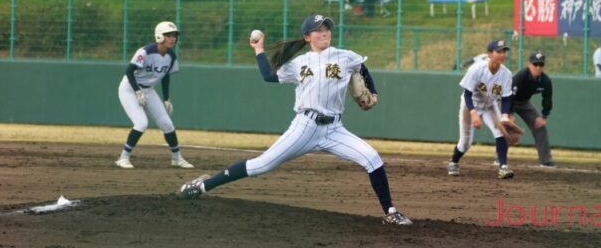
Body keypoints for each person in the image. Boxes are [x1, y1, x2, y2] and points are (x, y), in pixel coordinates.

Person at [176, 13, 413, 226]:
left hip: (334, 129)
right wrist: (259, 50)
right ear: (307, 36)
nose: (324, 33)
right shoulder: (299, 64)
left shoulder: (345, 57)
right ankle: (203, 185)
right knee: (260, 165)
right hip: (305, 126)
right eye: (318, 30)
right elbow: (269, 76)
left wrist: (374, 93)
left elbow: (363, 69)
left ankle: (390, 212)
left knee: (372, 158)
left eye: (326, 28)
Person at [115, 21, 195, 169]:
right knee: (141, 123)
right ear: (159, 36)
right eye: (168, 35)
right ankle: (123, 157)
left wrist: (166, 99)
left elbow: (165, 76)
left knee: (167, 124)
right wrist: (137, 92)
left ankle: (177, 158)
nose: (172, 38)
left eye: (174, 35)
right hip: (129, 88)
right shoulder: (146, 51)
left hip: (148, 89)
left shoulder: (171, 55)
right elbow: (129, 71)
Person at [447, 39, 515, 179]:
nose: (502, 54)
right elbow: (467, 94)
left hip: (490, 105)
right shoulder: (477, 69)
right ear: (489, 54)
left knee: (500, 131)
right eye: (498, 51)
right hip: (470, 104)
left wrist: (505, 115)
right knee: (466, 142)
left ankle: (503, 167)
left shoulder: (506, 74)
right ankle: (453, 162)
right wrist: (474, 114)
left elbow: (507, 98)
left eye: (504, 51)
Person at [511, 51, 556, 167]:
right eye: (535, 64)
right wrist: (509, 114)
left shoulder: (545, 81)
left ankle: (545, 160)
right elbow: (509, 95)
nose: (538, 67)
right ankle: (499, 158)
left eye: (541, 65)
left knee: (540, 127)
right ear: (529, 64)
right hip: (508, 100)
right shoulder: (521, 76)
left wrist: (544, 116)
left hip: (524, 103)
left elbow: (547, 99)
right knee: (506, 125)